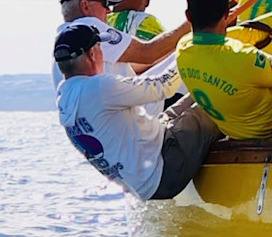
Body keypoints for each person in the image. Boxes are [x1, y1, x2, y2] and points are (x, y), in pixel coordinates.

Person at [55, 23, 219, 200]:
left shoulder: (64, 95)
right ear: (93, 54)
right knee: (218, 99)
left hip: (144, 182)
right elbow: (163, 87)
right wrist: (189, 50)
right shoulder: (98, 87)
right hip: (165, 171)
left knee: (196, 95)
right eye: (100, 47)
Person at [176, 0, 272, 140]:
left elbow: (250, 33)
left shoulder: (183, 48)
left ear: (188, 16)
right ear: (227, 13)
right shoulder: (245, 58)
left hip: (234, 133)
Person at [57, 0, 184, 78]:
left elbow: (134, 65)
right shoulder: (88, 27)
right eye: (105, 4)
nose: (109, 11)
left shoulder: (63, 37)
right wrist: (192, 23)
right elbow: (146, 53)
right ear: (85, 6)